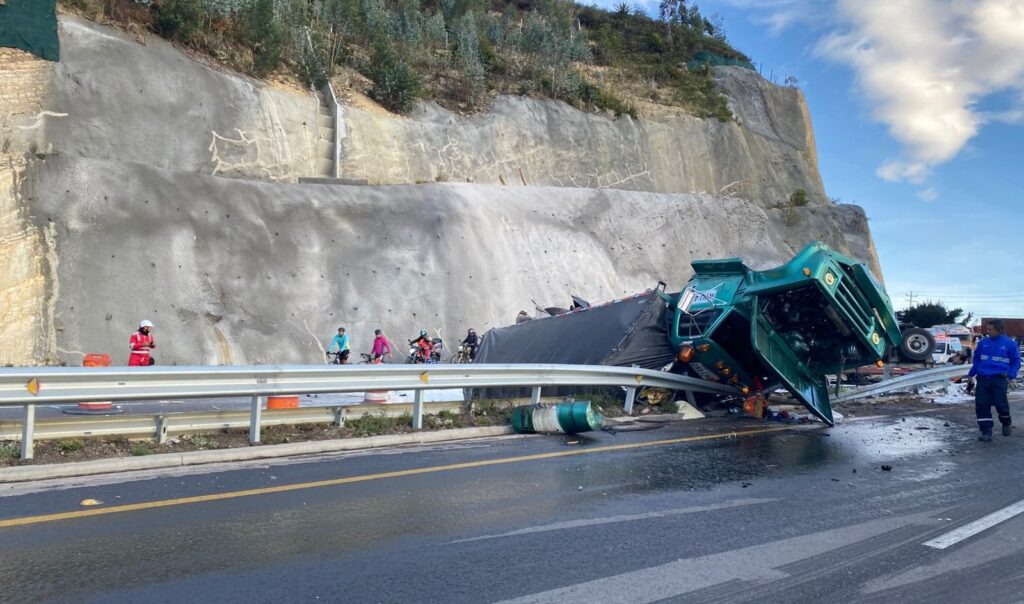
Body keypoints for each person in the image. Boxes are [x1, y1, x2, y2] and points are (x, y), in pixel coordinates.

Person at [967, 319, 1021, 441]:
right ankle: (986, 431)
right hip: (983, 379)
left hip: (999, 379)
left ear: (999, 330)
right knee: (982, 405)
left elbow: (1016, 362)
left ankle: (1006, 422)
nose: (988, 331)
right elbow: (977, 360)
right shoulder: (983, 343)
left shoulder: (1009, 344)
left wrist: (1011, 375)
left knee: (1000, 404)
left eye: (990, 330)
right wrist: (971, 374)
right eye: (987, 329)